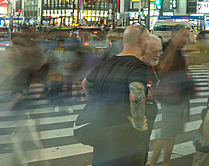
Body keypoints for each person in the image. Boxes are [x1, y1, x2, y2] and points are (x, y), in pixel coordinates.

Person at [82, 25, 151, 166]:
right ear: (142, 41)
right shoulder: (138, 66)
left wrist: (97, 104)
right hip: (124, 136)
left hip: (102, 131)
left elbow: (86, 84)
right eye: (148, 38)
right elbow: (136, 96)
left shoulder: (107, 63)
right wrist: (138, 124)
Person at [151, 25, 193, 166]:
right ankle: (159, 163)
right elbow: (159, 69)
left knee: (170, 132)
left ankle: (164, 162)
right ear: (173, 35)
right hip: (170, 99)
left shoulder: (179, 52)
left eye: (187, 36)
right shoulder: (165, 49)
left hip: (179, 98)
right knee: (166, 133)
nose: (186, 39)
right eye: (183, 35)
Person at [134, 35, 163, 166]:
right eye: (154, 51)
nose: (158, 55)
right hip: (134, 125)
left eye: (160, 51)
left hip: (148, 118)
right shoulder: (134, 68)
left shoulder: (151, 66)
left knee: (142, 152)